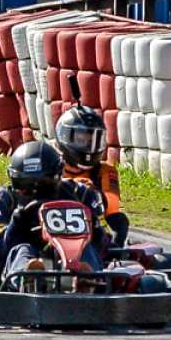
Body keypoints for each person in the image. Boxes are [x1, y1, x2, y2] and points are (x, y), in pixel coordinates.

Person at [0, 140, 111, 284]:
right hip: (25, 258)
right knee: (23, 250)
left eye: (44, 185)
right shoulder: (4, 199)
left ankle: (85, 280)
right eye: (26, 185)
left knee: (85, 249)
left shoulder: (80, 193)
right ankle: (29, 277)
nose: (35, 191)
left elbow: (105, 242)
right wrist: (18, 220)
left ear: (58, 175)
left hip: (73, 256)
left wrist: (92, 223)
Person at [52, 104, 131, 246]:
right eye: (81, 140)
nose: (88, 147)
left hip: (92, 230)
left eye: (93, 141)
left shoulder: (105, 171)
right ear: (64, 137)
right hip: (52, 226)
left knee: (119, 220)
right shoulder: (51, 167)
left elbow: (112, 207)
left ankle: (112, 251)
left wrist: (92, 194)